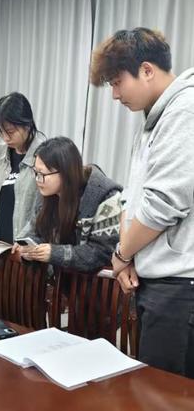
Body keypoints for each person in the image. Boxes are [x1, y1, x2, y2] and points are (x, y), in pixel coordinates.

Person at [90, 27, 194, 377]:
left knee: (165, 395)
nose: (115, 95)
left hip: (180, 288)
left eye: (117, 82)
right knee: (152, 388)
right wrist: (127, 257)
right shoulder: (153, 118)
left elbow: (163, 204)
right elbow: (131, 199)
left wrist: (121, 255)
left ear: (147, 70)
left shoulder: (185, 110)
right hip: (159, 281)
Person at [15, 137, 122, 272]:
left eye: (42, 174)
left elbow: (102, 253)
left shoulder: (106, 197)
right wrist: (30, 249)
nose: (37, 179)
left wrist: (55, 253)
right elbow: (37, 231)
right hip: (57, 280)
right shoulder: (47, 192)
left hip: (93, 283)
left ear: (65, 173)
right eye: (35, 172)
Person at [0, 92, 45, 243]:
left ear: (27, 125)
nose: (5, 138)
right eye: (1, 132)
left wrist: (25, 242)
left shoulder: (44, 155)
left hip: (25, 249)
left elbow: (44, 208)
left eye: (10, 132)